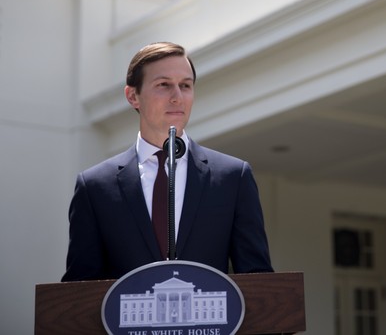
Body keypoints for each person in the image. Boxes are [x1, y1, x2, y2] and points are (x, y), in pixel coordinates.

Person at [62, 42, 273, 281]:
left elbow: (258, 278)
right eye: (164, 85)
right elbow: (78, 288)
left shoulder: (234, 177)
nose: (177, 97)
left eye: (185, 85)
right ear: (133, 96)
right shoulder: (94, 186)